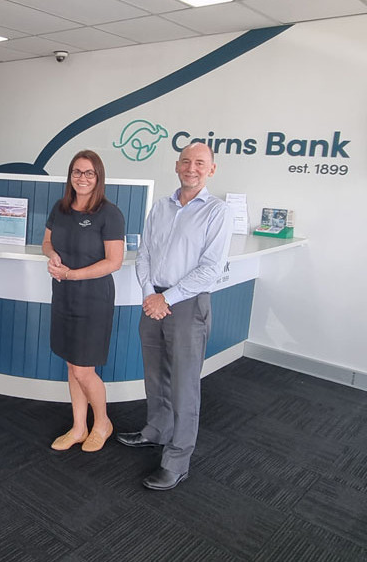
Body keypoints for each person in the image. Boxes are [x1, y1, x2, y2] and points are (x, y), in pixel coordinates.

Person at [116, 143, 233, 491]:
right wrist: (150, 294)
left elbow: (210, 270)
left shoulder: (217, 211)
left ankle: (178, 459)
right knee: (155, 375)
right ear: (177, 166)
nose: (191, 168)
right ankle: (156, 431)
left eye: (200, 163)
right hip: (154, 299)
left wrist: (165, 298)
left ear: (212, 169)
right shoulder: (161, 207)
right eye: (186, 161)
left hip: (187, 304)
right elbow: (144, 254)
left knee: (184, 385)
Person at [42, 150, 125, 453]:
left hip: (93, 299)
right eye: (77, 172)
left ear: (98, 177)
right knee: (71, 363)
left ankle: (102, 422)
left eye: (89, 173)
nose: (82, 178)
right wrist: (52, 257)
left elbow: (114, 261)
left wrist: (73, 274)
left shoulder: (109, 213)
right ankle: (79, 427)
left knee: (83, 370)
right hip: (63, 295)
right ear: (70, 176)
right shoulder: (60, 208)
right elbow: (47, 242)